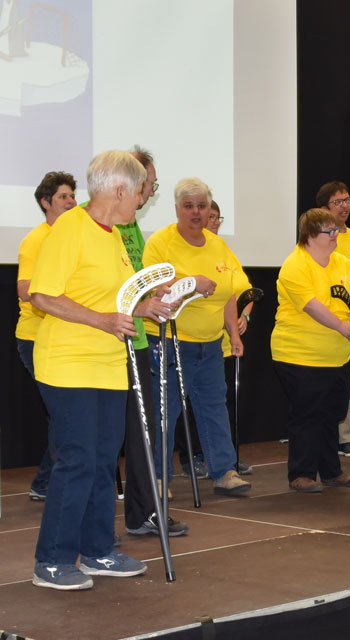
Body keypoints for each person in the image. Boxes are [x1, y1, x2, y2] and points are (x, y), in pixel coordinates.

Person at [29, 150, 174, 590]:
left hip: (111, 365)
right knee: (76, 461)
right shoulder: (69, 229)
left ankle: (97, 551)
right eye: (140, 193)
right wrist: (104, 321)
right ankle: (51, 561)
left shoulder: (116, 234)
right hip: (70, 364)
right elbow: (43, 296)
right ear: (118, 190)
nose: (143, 201)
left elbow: (117, 299)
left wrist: (146, 307)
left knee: (103, 461)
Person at [142, 177, 251, 496]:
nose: (196, 212)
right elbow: (153, 286)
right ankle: (158, 477)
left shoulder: (218, 245)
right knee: (167, 411)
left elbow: (230, 293)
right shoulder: (161, 242)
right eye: (189, 206)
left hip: (210, 345)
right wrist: (190, 282)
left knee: (214, 407)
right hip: (170, 342)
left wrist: (234, 333)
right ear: (177, 208)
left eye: (202, 206)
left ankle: (224, 471)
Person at [114, 147, 191, 537]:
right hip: (111, 341)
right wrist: (141, 305)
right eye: (150, 184)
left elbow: (135, 279)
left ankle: (144, 511)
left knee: (141, 430)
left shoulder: (131, 226)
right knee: (114, 436)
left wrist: (158, 294)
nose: (149, 193)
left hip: (138, 340)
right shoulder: (104, 222)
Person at [272, 208, 350, 492]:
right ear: (309, 236)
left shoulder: (342, 262)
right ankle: (301, 473)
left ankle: (330, 470)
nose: (335, 236)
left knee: (332, 414)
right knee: (307, 415)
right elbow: (313, 307)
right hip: (300, 355)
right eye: (328, 232)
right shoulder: (295, 265)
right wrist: (345, 328)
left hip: (336, 356)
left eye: (336, 230)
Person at [17, 171, 77, 502]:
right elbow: (25, 288)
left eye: (72, 196)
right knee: (64, 412)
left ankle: (44, 482)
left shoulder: (70, 236)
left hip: (65, 336)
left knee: (63, 413)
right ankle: (46, 483)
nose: (71, 202)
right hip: (35, 337)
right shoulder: (37, 240)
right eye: (63, 197)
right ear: (45, 203)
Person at [315, 181, 350, 456]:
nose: (344, 206)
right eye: (337, 202)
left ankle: (348, 433)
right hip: (325, 320)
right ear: (323, 208)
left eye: (347, 200)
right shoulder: (315, 237)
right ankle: (339, 437)